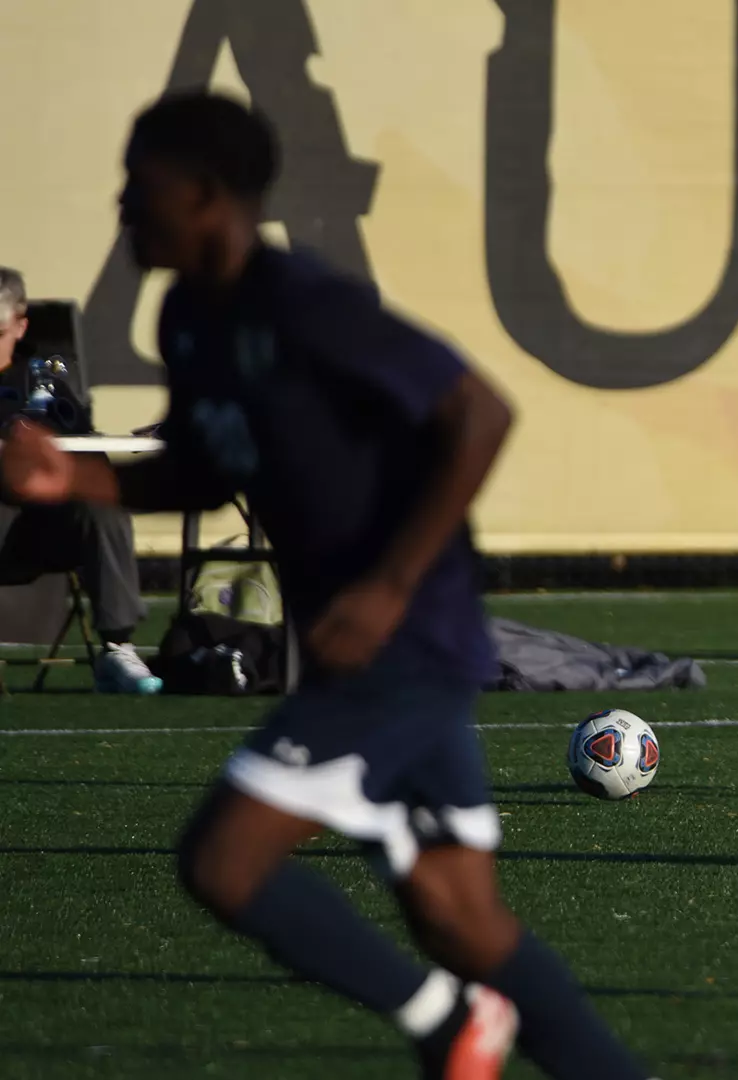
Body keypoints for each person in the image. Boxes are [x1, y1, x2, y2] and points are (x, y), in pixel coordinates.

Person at [0, 92, 652, 1079]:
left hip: (401, 645)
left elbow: (477, 415)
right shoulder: (189, 316)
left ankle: (443, 1025)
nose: (123, 206)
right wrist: (72, 478)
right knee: (461, 918)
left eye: (141, 185)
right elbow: (206, 468)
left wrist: (390, 586)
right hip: (381, 651)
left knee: (222, 861)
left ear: (207, 196)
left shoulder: (305, 303)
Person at [0, 267, 159, 693]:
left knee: (101, 504)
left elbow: (80, 446)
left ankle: (117, 649)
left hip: (35, 524)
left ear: (20, 325)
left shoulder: (45, 377)